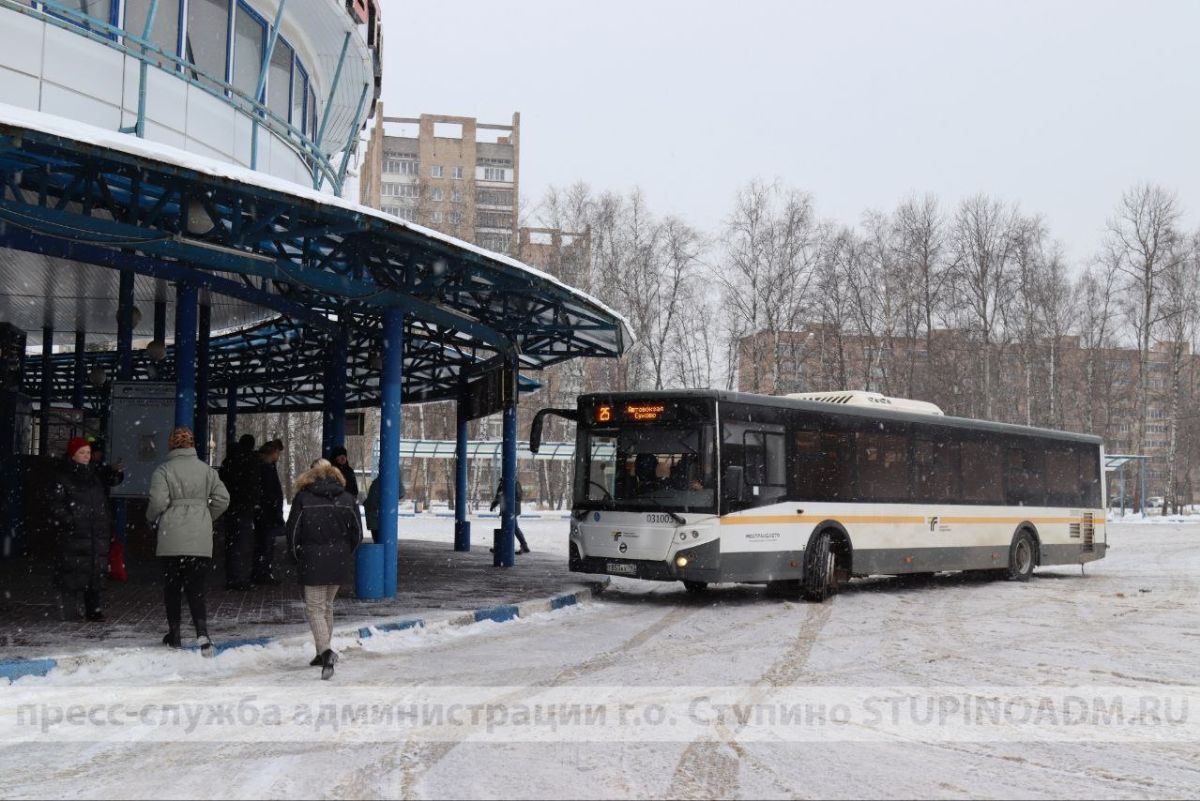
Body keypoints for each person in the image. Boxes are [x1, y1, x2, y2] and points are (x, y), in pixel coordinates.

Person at [146, 427, 230, 655]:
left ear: (171, 444)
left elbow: (157, 501)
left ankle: (174, 634)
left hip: (171, 537)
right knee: (197, 587)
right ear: (193, 444)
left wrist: (152, 518)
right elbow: (223, 499)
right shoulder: (207, 471)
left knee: (172, 588)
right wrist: (205, 517)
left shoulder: (163, 470)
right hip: (199, 538)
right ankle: (202, 632)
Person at [285, 459, 362, 680]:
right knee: (326, 606)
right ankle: (322, 652)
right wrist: (346, 553)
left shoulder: (303, 498)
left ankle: (326, 653)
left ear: (311, 475)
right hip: (338, 560)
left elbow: (293, 532)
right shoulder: (347, 499)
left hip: (312, 560)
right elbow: (356, 533)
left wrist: (296, 555)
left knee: (315, 609)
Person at [48, 437, 112, 621]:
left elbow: (102, 502)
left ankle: (94, 609)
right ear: (73, 454)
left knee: (95, 570)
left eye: (88, 453)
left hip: (95, 532)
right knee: (72, 572)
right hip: (75, 533)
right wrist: (70, 521)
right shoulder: (63, 476)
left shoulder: (94, 475)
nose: (86, 456)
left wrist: (104, 522)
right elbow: (56, 505)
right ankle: (71, 610)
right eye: (82, 453)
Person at [219, 434, 262, 591]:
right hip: (244, 508)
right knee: (242, 543)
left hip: (230, 507)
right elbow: (254, 485)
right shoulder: (251, 461)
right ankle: (240, 578)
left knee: (231, 544)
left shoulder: (228, 462)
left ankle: (232, 577)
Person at [87, 438, 127, 582]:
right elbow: (111, 480)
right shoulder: (96, 470)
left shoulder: (96, 470)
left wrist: (115, 471)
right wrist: (114, 470)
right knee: (101, 543)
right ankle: (100, 570)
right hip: (100, 512)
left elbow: (111, 479)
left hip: (96, 512)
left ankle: (96, 571)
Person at [252, 440, 285, 585]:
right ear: (273, 453)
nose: (278, 456)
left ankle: (260, 572)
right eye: (278, 453)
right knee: (266, 545)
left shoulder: (261, 466)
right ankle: (263, 573)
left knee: (262, 544)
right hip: (268, 513)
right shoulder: (267, 468)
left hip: (263, 512)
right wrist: (275, 511)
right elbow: (271, 492)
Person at [489, 479, 530, 554]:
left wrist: (498, 502)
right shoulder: (504, 482)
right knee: (512, 527)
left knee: (512, 528)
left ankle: (504, 546)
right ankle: (523, 545)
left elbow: (517, 496)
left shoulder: (513, 481)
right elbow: (499, 495)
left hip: (511, 509)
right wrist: (494, 504)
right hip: (508, 509)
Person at [363, 468, 404, 540]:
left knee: (378, 541)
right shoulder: (390, 483)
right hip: (380, 518)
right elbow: (401, 493)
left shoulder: (378, 483)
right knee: (383, 542)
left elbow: (371, 502)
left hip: (376, 518)